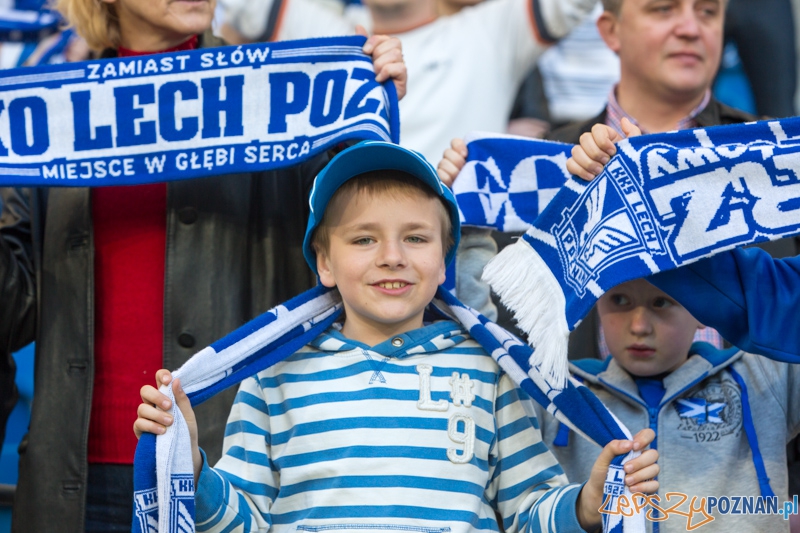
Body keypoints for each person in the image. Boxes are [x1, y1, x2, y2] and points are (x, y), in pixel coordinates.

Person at [0, 0, 406, 529]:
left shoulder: (280, 89)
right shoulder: (42, 109)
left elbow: (361, 250)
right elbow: (13, 312)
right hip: (72, 482)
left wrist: (363, 120)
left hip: (227, 472)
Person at [134, 141, 659, 532]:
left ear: (444, 262)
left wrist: (586, 505)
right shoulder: (272, 375)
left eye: (416, 238)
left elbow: (526, 510)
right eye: (364, 239)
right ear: (324, 263)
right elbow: (243, 518)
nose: (392, 256)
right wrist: (189, 465)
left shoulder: (491, 371)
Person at [533, 276, 800, 532]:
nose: (639, 326)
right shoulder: (553, 393)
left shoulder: (765, 376)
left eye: (661, 302)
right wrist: (579, 510)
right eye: (620, 300)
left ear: (703, 307)